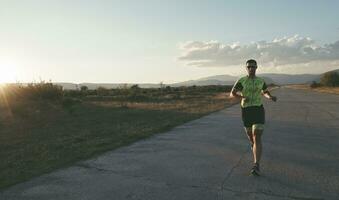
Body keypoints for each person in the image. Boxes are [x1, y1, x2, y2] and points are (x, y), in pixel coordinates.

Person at [230, 59, 277, 175]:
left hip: (258, 109)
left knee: (257, 136)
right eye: (249, 67)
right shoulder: (241, 81)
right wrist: (242, 98)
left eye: (253, 67)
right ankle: (254, 146)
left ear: (256, 68)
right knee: (251, 138)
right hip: (246, 110)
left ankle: (256, 165)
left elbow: (265, 91)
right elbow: (232, 94)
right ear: (246, 68)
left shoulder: (261, 81)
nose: (251, 68)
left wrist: (270, 97)